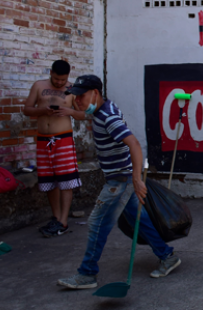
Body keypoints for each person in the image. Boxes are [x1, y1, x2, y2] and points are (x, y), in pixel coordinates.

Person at [57, 75, 181, 289]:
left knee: (97, 224)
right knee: (139, 221)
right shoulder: (101, 109)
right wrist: (72, 112)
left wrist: (136, 179)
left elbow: (133, 143)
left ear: (95, 93)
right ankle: (167, 256)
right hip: (121, 179)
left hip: (118, 182)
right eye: (75, 97)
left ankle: (87, 274)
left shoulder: (108, 117)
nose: (77, 101)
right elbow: (84, 113)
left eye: (81, 96)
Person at [23, 60, 86, 238]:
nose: (59, 83)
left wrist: (70, 112)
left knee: (66, 180)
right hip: (43, 140)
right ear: (50, 72)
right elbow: (27, 109)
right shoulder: (39, 86)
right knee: (49, 180)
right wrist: (42, 110)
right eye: (56, 79)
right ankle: (56, 217)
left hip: (63, 139)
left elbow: (83, 114)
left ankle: (64, 221)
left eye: (63, 80)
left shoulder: (73, 90)